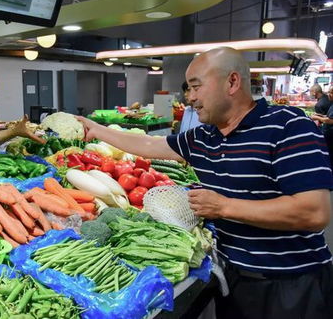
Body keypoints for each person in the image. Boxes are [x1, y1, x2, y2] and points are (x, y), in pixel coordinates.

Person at [77, 47, 333, 319]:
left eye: (196, 87)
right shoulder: (203, 137)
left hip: (290, 283)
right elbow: (150, 144)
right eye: (188, 89)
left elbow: (314, 212)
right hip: (232, 278)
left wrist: (224, 207)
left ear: (232, 82)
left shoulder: (289, 127)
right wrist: (96, 129)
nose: (190, 98)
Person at [311, 86, 333, 168]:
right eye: (329, 92)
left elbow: (330, 120)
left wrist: (316, 117)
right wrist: (320, 115)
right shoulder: (331, 104)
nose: (329, 95)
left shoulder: (320, 104)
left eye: (331, 93)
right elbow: (329, 116)